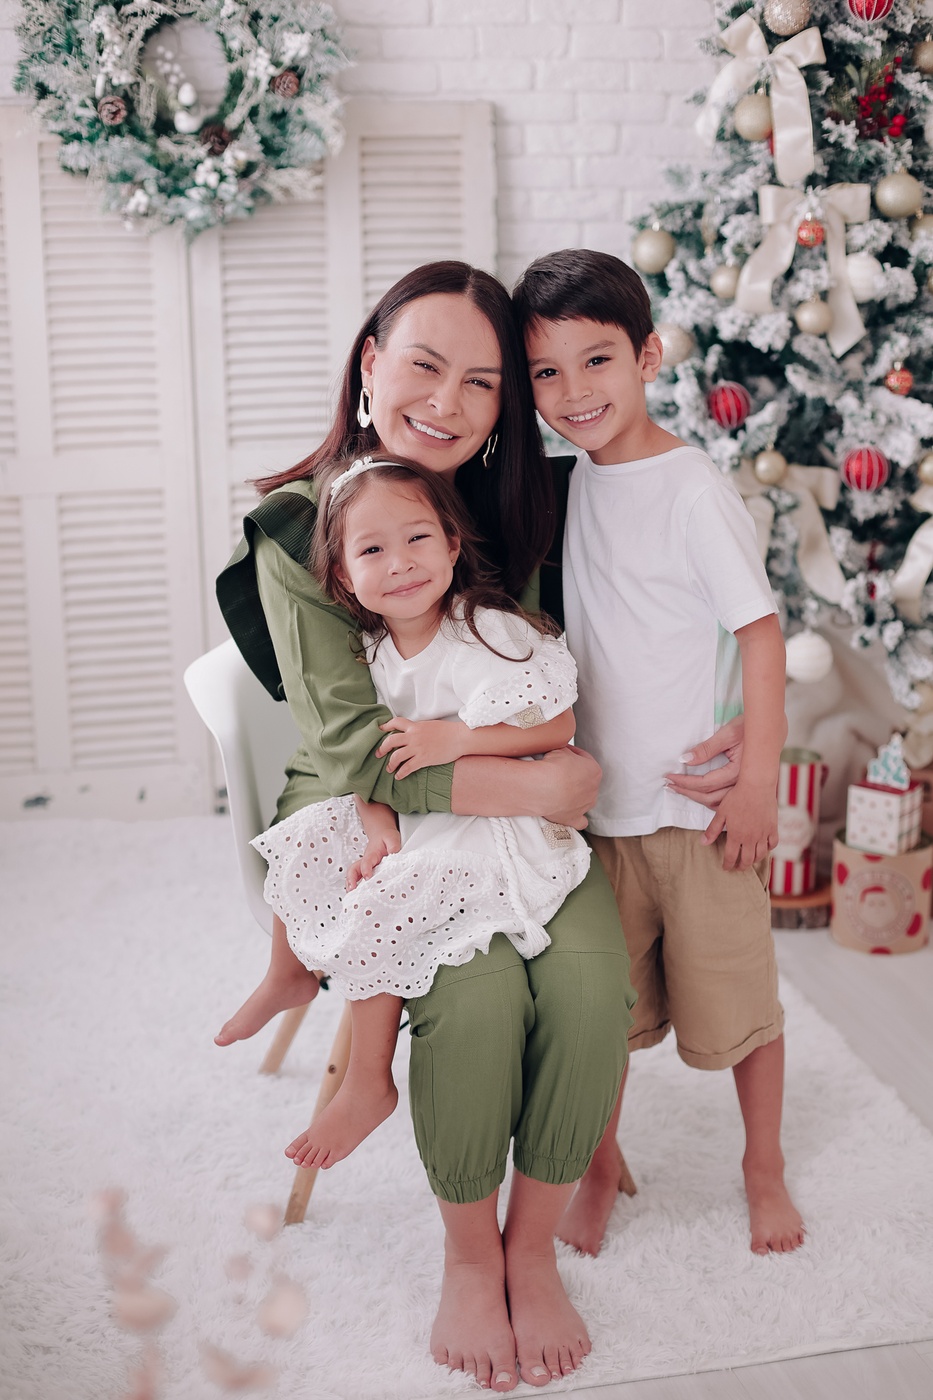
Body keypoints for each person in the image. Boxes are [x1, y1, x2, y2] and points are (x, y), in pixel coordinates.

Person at [214, 261, 637, 1393]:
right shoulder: (307, 525)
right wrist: (543, 787)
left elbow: (547, 682)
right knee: (481, 998)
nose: (449, 402)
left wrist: (574, 764)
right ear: (371, 363)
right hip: (369, 805)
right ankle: (465, 1254)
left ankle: (530, 1247)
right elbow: (361, 755)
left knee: (589, 988)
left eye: (483, 382)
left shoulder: (514, 508)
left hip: (509, 810)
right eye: (425, 366)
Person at [512, 248, 805, 1259]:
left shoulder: (691, 489)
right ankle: (600, 1166)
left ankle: (762, 1166)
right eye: (547, 372)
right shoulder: (571, 485)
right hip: (600, 818)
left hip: (694, 809)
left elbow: (760, 635)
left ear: (648, 355)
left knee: (742, 1008)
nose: (574, 392)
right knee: (601, 1019)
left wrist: (758, 778)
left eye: (596, 361)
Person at [251, 455, 591, 1174]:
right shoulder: (372, 652)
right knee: (317, 839)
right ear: (343, 577)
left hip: (491, 816)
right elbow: (369, 766)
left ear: (452, 545)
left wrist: (457, 738)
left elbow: (556, 726)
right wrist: (379, 827)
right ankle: (288, 972)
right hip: (418, 810)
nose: (400, 563)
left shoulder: (483, 631)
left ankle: (370, 1080)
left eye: (417, 540)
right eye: (373, 549)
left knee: (385, 898)